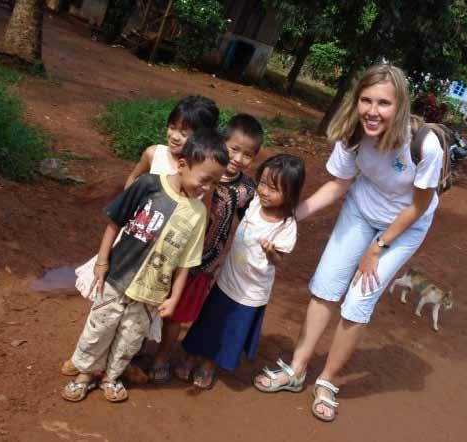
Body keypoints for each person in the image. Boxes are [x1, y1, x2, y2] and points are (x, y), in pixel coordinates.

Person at [253, 64, 444, 423]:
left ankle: (327, 380)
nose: (373, 111)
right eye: (366, 100)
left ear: (400, 105)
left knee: (358, 299)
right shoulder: (353, 133)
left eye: (383, 103)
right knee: (325, 286)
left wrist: (377, 248)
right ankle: (296, 369)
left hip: (405, 225)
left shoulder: (424, 146)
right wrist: (292, 215)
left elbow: (419, 206)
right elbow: (338, 185)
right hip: (361, 208)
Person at [61, 129, 228, 403]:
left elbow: (186, 262)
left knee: (131, 339)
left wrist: (174, 298)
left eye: (214, 184)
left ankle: (111, 377)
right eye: (205, 180)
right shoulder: (148, 185)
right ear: (183, 165)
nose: (207, 188)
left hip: (152, 292)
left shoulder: (198, 214)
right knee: (98, 330)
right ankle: (85, 374)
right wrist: (102, 262)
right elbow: (115, 222)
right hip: (116, 278)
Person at [149, 114, 264, 384]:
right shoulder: (197, 169)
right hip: (170, 251)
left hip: (204, 261)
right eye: (233, 149)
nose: (237, 159)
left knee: (177, 313)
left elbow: (253, 220)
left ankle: (162, 356)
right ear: (221, 142)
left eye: (247, 155)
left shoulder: (246, 190)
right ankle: (133, 349)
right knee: (150, 299)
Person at [181, 154, 306, 389]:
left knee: (230, 329)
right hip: (227, 279)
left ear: (290, 194)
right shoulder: (255, 203)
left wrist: (271, 252)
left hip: (251, 292)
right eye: (263, 184)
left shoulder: (286, 226)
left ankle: (209, 365)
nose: (265, 192)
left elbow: (279, 261)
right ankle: (191, 356)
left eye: (274, 189)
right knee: (209, 321)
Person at [124, 95, 219, 188]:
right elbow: (133, 178)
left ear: (203, 137)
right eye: (172, 127)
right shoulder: (153, 154)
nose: (174, 137)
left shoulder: (204, 169)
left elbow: (205, 202)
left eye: (183, 134)